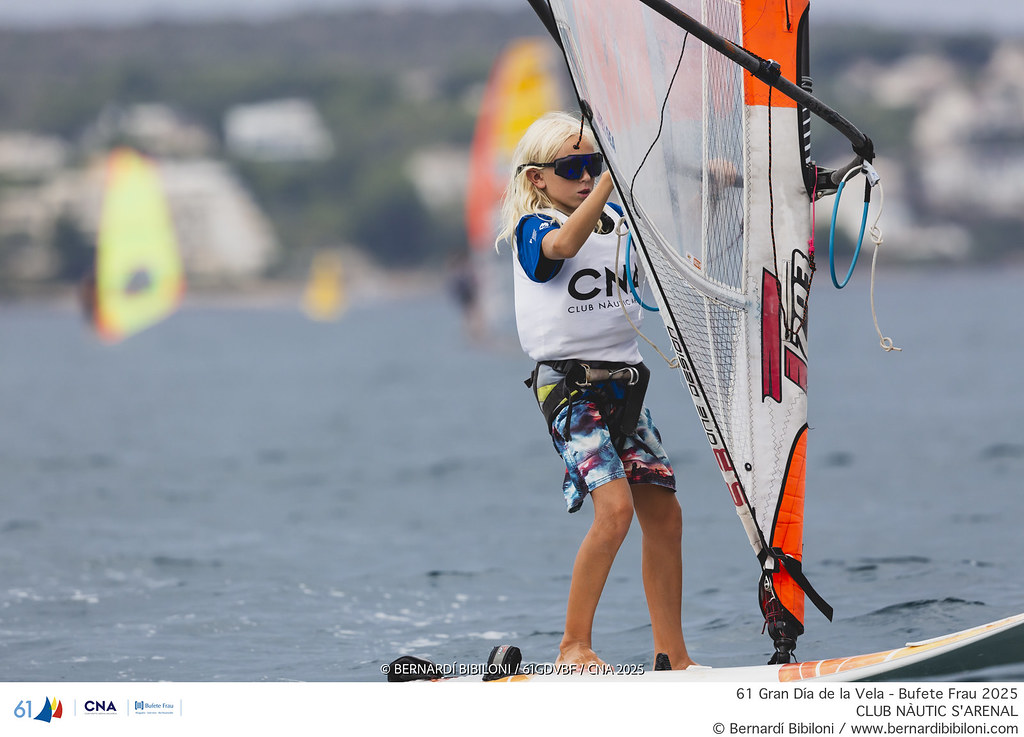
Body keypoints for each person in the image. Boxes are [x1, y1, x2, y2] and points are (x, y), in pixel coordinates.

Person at [496, 111, 696, 672]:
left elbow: (680, 200)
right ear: (537, 178)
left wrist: (724, 177)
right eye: (572, 168)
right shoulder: (533, 227)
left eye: (594, 164)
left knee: (665, 514)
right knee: (615, 511)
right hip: (569, 390)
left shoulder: (617, 218)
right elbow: (563, 245)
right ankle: (572, 647)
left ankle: (672, 656)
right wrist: (610, 180)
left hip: (626, 388)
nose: (586, 176)